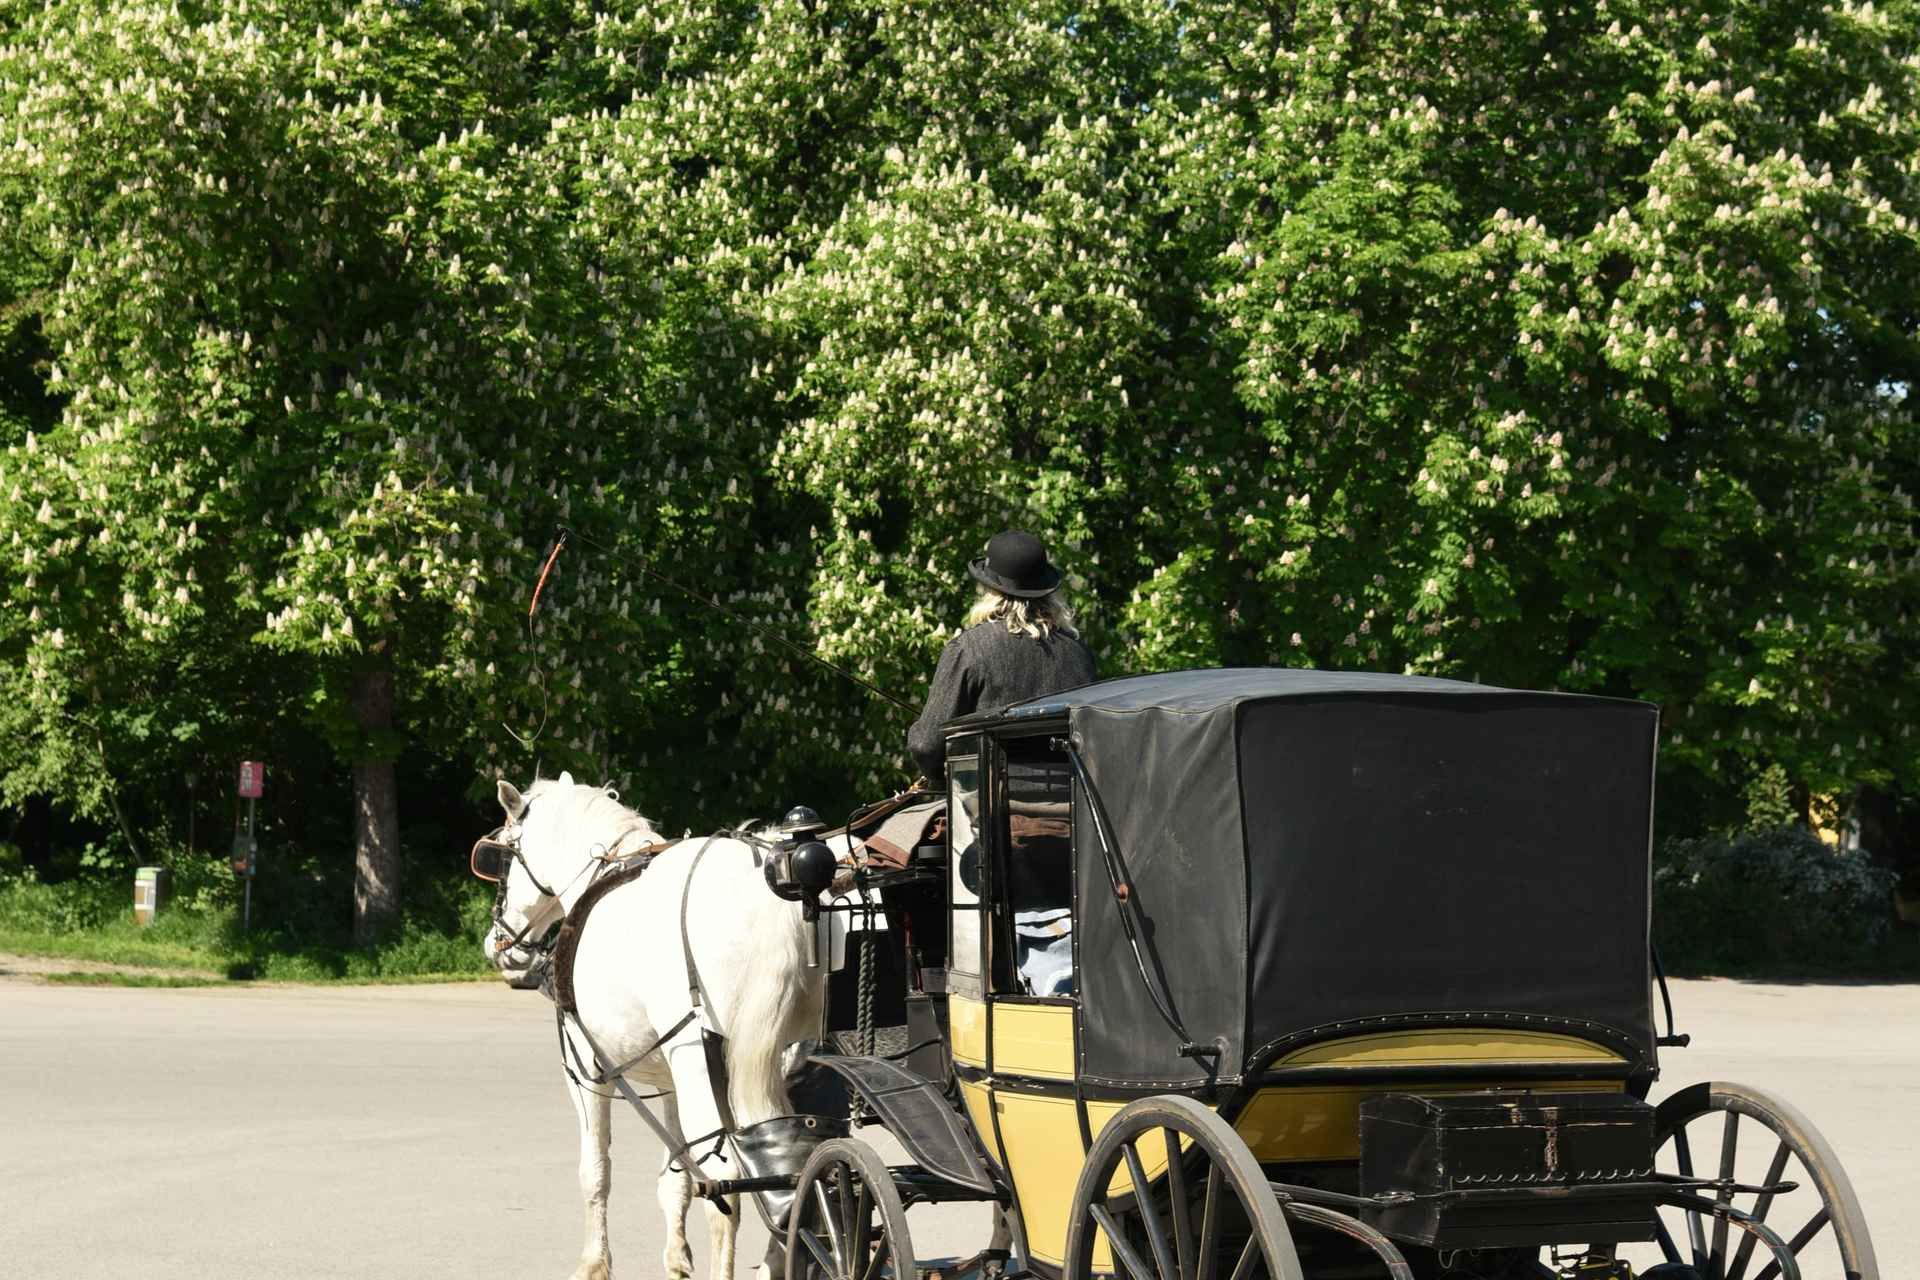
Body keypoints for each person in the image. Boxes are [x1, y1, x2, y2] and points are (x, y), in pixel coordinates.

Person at [907, 529, 1098, 782]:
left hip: (991, 811)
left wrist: (937, 775)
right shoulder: (1079, 653)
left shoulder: (969, 649)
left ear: (990, 591)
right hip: (1074, 807)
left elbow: (925, 745)